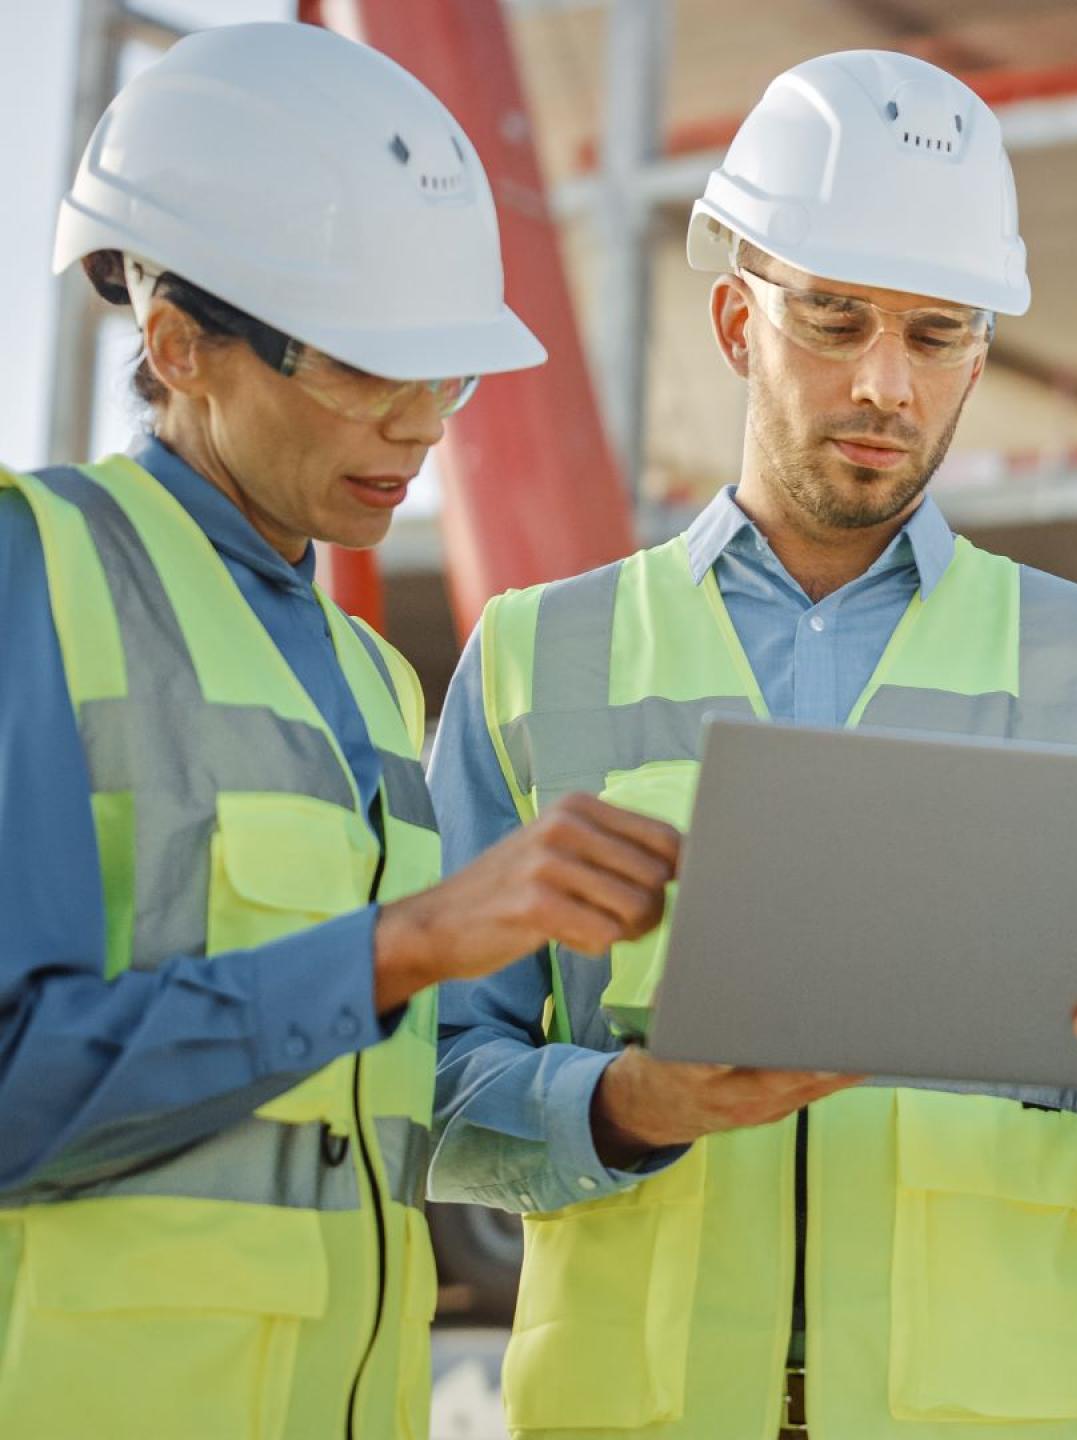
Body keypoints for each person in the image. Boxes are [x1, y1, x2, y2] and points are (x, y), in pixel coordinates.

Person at [426, 50, 1077, 1438]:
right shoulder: (541, 661)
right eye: (835, 323)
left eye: (936, 334)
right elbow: (423, 1083)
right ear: (735, 320)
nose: (887, 386)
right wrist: (627, 1104)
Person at [0, 23, 683, 1438]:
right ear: (178, 343)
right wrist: (410, 946)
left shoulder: (376, 680)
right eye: (371, 369)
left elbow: (373, 1114)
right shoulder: (38, 577)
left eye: (447, 374)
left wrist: (637, 1098)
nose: (424, 424)